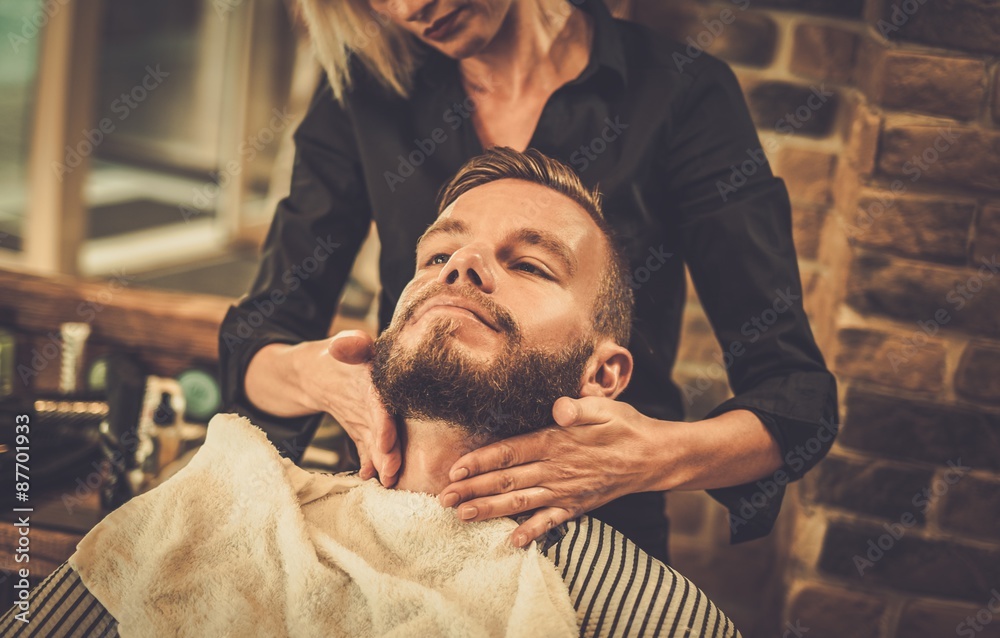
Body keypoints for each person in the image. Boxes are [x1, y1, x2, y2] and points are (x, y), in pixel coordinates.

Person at [0, 148, 742, 637]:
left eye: (533, 265)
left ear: (602, 376)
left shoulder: (645, 611)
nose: (463, 267)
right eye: (439, 253)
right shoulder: (213, 506)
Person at [219, 0, 839, 563]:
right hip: (396, 507)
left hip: (599, 528)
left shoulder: (678, 93)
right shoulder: (366, 86)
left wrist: (647, 456)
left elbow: (796, 400)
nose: (410, 8)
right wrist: (324, 378)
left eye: (531, 265)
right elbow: (259, 339)